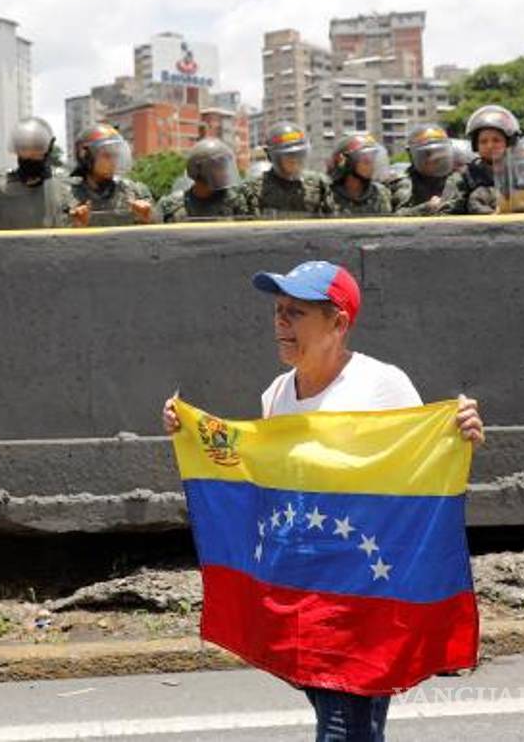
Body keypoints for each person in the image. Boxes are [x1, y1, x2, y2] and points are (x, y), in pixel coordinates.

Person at [161, 260, 484, 742]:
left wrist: (460, 432)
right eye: (278, 310)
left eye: (296, 312)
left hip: (363, 596)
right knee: (353, 725)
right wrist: (194, 432)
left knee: (341, 727)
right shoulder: (276, 395)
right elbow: (261, 478)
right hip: (304, 596)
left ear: (339, 323)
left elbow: (419, 470)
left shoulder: (381, 385)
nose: (281, 323)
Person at [0, 117, 72, 229]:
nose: (31, 154)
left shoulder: (62, 188)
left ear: (47, 149)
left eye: (37, 148)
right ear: (16, 150)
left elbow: (71, 230)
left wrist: (78, 222)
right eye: (24, 148)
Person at [242, 123, 335, 218]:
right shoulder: (252, 189)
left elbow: (334, 222)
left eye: (299, 155)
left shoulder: (320, 184)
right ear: (272, 157)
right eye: (288, 156)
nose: (295, 160)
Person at [68, 124, 154, 226]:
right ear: (86, 157)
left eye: (116, 155)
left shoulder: (135, 192)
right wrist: (76, 225)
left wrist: (147, 218)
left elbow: (160, 234)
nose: (113, 161)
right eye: (107, 155)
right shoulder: (67, 196)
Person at [444, 104, 519, 214]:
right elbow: (446, 212)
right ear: (476, 146)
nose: (490, 146)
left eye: (496, 140)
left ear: (509, 143)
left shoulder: (519, 173)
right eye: (483, 141)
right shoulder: (464, 177)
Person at [157, 137, 250, 222]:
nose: (224, 172)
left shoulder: (234, 202)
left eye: (225, 166)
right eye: (219, 167)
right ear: (198, 168)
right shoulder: (171, 206)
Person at [391, 124, 462, 216]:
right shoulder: (407, 183)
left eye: (439, 153)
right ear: (412, 156)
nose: (434, 159)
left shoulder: (458, 180)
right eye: (427, 154)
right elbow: (396, 217)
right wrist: (426, 208)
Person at [327, 133, 392, 216]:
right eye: (364, 157)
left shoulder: (381, 193)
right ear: (343, 160)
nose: (370, 162)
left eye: (373, 157)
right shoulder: (327, 195)